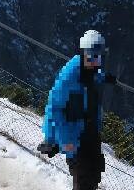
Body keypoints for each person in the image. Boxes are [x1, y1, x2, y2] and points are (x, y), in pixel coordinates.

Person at [42, 29, 112, 190]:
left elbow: (93, 74)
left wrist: (105, 77)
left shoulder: (89, 68)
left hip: (90, 130)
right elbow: (54, 107)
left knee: (95, 171)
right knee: (83, 179)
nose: (97, 60)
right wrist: (52, 139)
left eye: (99, 56)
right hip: (74, 137)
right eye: (93, 55)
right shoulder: (69, 77)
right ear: (83, 53)